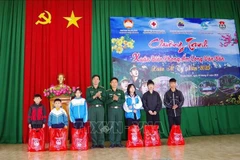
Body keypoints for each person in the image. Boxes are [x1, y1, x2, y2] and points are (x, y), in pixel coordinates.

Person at [86, 75, 106, 148]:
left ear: (99, 81)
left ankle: (101, 143)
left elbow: (104, 100)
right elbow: (88, 99)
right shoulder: (89, 89)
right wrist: (94, 96)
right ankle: (94, 143)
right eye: (94, 79)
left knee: (100, 125)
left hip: (100, 108)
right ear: (92, 80)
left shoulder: (102, 89)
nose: (95, 80)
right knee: (93, 126)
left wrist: (100, 96)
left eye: (97, 79)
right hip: (92, 108)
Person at [106, 77, 125, 148]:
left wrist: (117, 99)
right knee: (111, 126)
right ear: (110, 83)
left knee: (119, 125)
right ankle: (112, 143)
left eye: (115, 82)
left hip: (119, 110)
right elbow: (106, 102)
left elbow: (123, 100)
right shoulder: (107, 92)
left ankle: (118, 142)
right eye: (112, 82)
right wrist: (112, 99)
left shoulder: (121, 92)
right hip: (111, 110)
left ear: (117, 83)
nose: (114, 83)